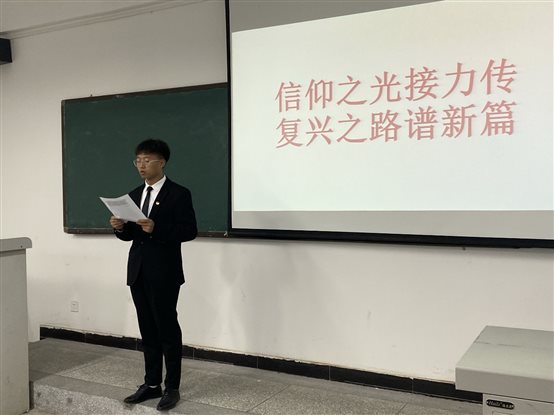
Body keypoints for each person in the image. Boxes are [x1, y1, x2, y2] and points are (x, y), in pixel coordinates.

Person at [110, 138, 197, 411]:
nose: (141, 165)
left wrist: (156, 229)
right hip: (138, 271)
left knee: (167, 329)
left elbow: (189, 231)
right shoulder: (134, 194)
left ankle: (172, 387)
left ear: (162, 162)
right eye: (138, 160)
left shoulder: (178, 194)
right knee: (147, 329)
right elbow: (130, 236)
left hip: (165, 272)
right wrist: (119, 227)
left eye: (147, 160)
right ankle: (151, 384)